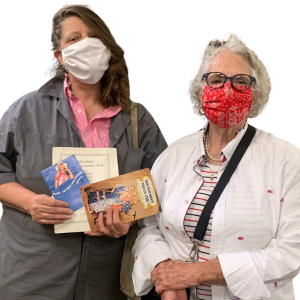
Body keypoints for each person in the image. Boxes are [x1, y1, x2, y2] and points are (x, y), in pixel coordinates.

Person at [0, 5, 167, 300]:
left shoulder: (138, 121)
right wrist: (30, 203)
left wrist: (127, 221)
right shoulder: (25, 111)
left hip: (105, 282)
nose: (86, 45)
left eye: (93, 37)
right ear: (60, 57)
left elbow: (164, 187)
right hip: (30, 278)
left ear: (107, 48)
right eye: (74, 39)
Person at [132, 34, 300, 300]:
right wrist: (166, 273)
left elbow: (291, 252)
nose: (227, 90)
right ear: (201, 90)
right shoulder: (172, 156)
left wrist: (195, 273)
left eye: (241, 82)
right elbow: (149, 227)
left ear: (256, 94)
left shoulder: (287, 161)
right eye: (217, 80)